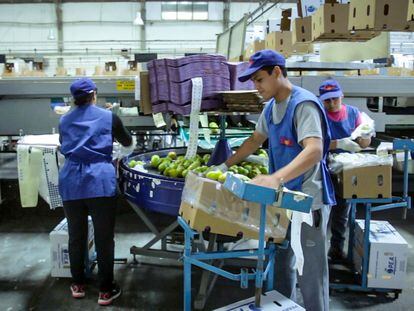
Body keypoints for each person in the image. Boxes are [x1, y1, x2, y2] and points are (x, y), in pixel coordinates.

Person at [214, 49, 336, 311]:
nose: (256, 87)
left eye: (259, 79)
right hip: (283, 201)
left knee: (311, 274)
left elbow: (314, 149)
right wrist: (224, 165)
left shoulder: (303, 104)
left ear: (277, 72)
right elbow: (255, 140)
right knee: (282, 266)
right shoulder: (270, 108)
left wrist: (275, 177)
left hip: (307, 202)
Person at [58, 78, 134, 306]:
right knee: (103, 237)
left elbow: (65, 145)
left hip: (71, 181)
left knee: (76, 235)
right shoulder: (109, 117)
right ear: (94, 95)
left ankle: (78, 284)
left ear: (74, 98)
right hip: (100, 182)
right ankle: (105, 290)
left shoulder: (64, 120)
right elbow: (128, 142)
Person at [318, 79, 371, 261]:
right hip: (323, 168)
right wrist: (338, 143)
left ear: (342, 96)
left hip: (346, 171)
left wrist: (364, 135)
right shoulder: (318, 115)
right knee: (321, 210)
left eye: (335, 99)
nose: (331, 104)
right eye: (327, 100)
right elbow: (314, 144)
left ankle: (336, 249)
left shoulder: (354, 114)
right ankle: (314, 249)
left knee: (341, 212)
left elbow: (364, 143)